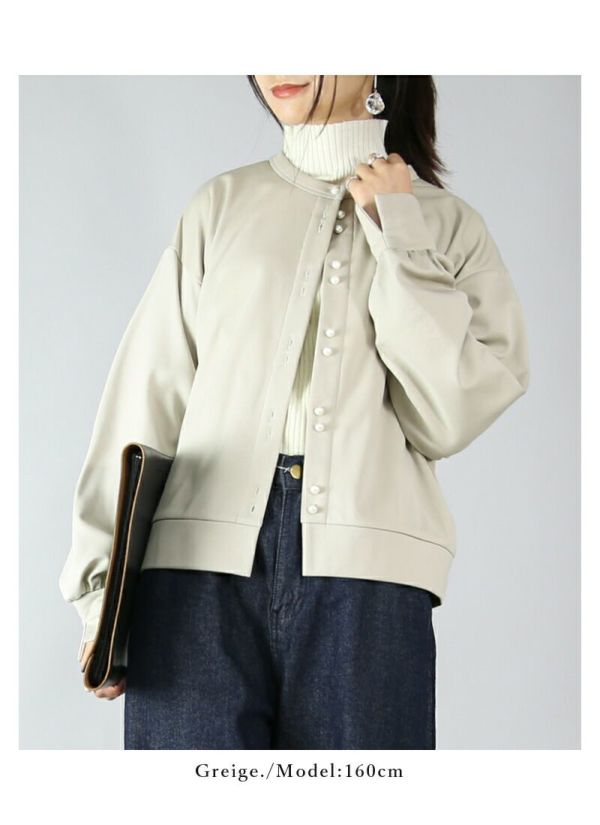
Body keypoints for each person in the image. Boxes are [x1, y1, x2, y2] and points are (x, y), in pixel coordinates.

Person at [59, 75, 530, 749]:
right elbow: (147, 392)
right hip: (193, 578)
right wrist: (101, 595)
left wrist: (397, 230)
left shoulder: (448, 227)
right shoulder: (221, 205)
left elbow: (448, 413)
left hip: (368, 587)